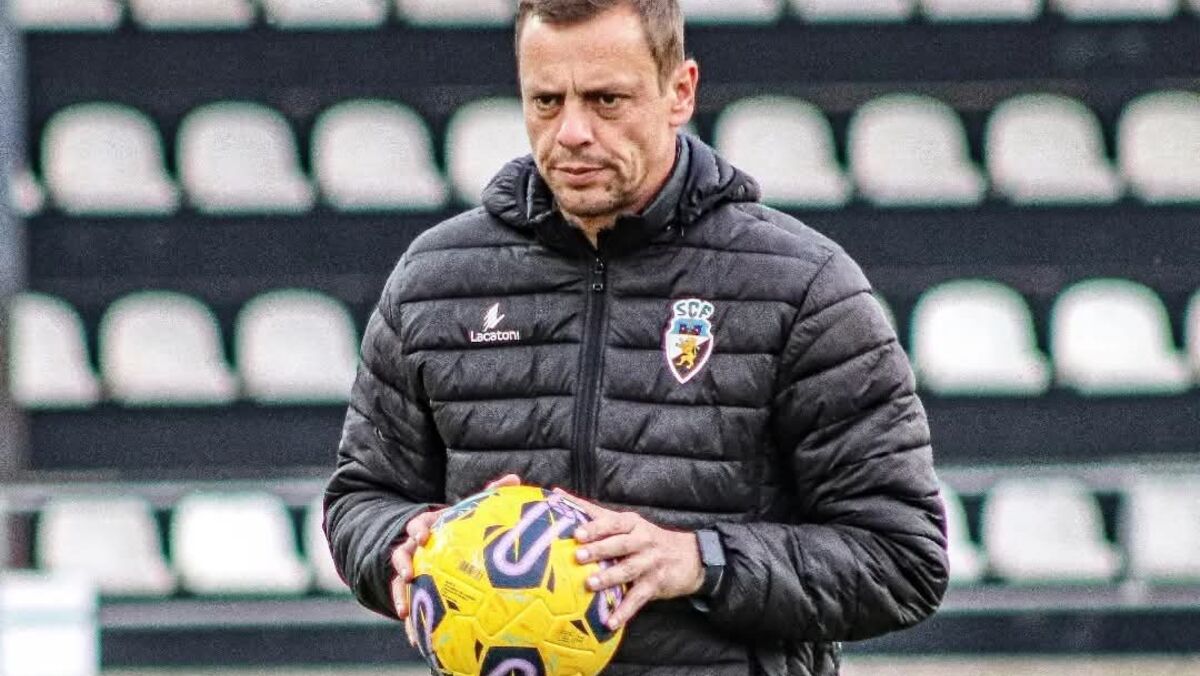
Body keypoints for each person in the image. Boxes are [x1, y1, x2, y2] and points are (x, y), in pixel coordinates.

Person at [324, 0, 948, 673]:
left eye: (606, 100)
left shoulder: (802, 286)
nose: (571, 132)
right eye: (546, 101)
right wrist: (402, 542)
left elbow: (902, 558)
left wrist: (700, 561)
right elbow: (361, 499)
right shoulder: (437, 279)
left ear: (680, 92)